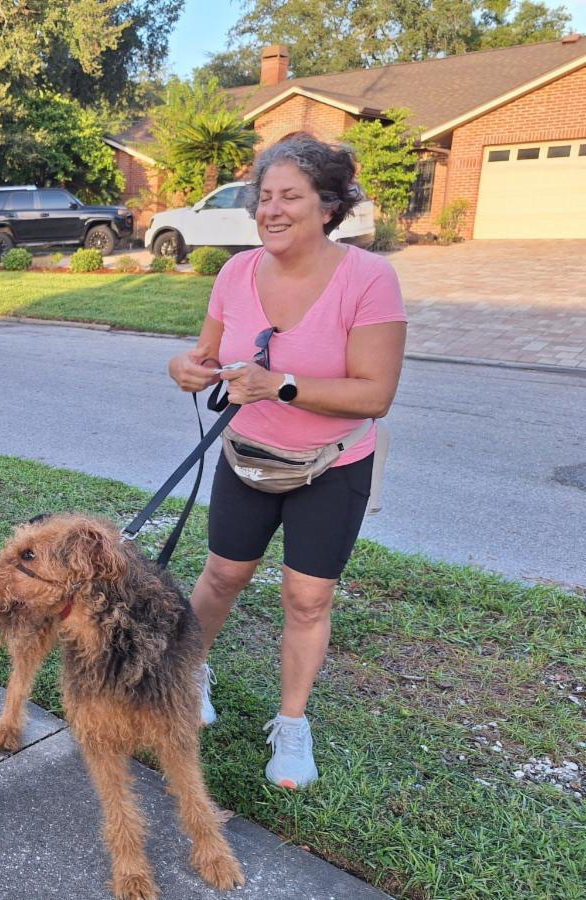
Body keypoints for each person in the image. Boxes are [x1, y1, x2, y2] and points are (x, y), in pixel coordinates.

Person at [167, 133, 406, 789]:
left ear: (328, 205)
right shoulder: (235, 274)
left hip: (332, 465)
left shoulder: (369, 278)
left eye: (289, 197)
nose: (271, 210)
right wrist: (185, 367)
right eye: (264, 196)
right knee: (222, 576)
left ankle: (293, 725)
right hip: (248, 456)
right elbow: (206, 355)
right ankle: (190, 673)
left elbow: (375, 395)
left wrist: (281, 385)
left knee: (307, 598)